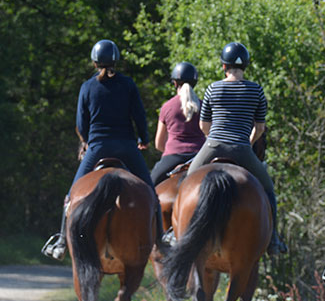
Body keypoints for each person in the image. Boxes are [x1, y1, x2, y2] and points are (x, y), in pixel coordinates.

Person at [41, 39, 166, 261]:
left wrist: (88, 141)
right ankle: (161, 240)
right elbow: (139, 115)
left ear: (94, 62)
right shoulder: (128, 84)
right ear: (116, 60)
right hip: (127, 146)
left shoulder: (87, 87)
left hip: (98, 147)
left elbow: (81, 122)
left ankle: (61, 241)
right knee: (150, 192)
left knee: (71, 196)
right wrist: (144, 139)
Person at [187, 41, 287, 255]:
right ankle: (274, 239)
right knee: (268, 190)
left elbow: (203, 126)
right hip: (242, 148)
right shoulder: (256, 90)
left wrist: (212, 138)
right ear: (245, 67)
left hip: (213, 145)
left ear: (224, 66)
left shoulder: (213, 88)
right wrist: (247, 143)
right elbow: (260, 128)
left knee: (188, 180)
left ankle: (175, 231)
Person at [150, 61, 205, 186]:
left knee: (149, 187)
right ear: (194, 83)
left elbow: (158, 143)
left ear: (174, 83)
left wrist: (172, 150)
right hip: (200, 156)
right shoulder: (204, 106)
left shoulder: (167, 107)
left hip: (173, 155)